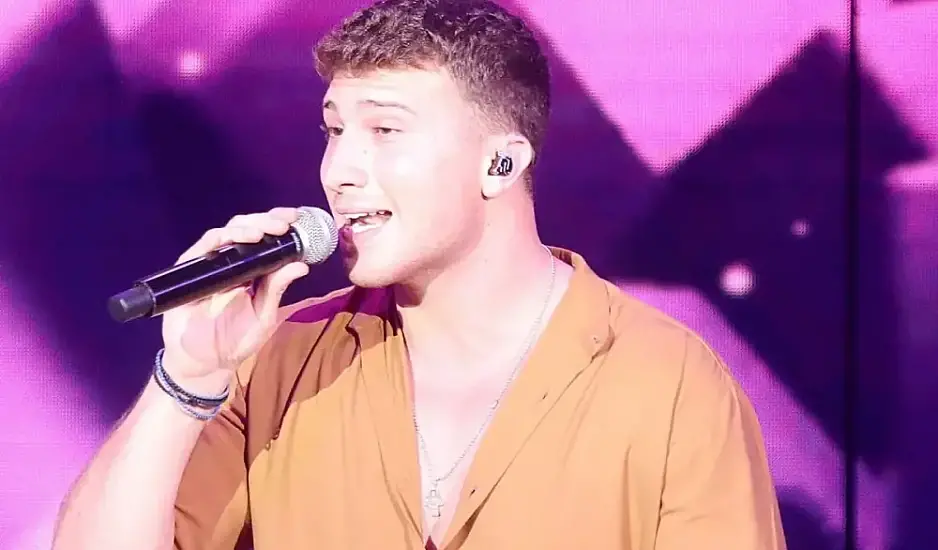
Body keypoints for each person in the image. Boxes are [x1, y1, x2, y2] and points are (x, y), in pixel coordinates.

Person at [53, 0, 788, 548]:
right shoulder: (279, 359)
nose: (340, 170)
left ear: (501, 163)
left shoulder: (669, 384)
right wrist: (186, 377)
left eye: (384, 130)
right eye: (334, 130)